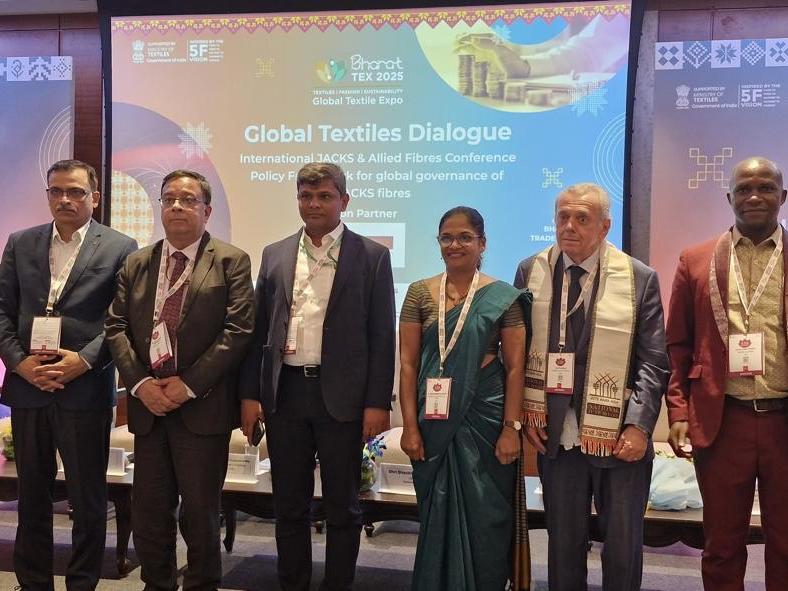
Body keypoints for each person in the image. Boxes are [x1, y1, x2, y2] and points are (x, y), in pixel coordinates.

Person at [240, 162, 395, 591]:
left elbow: (382, 336)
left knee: (343, 506)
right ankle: (293, 582)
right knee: (289, 505)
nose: (314, 204)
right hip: (285, 394)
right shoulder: (275, 253)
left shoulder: (372, 256)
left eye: (324, 196)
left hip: (342, 398)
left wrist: (377, 403)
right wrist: (250, 394)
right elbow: (258, 330)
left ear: (344, 201)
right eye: (306, 196)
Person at [513, 183, 668, 591]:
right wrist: (525, 414)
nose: (569, 226)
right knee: (563, 546)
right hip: (557, 433)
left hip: (618, 435)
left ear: (605, 226)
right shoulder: (531, 271)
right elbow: (518, 351)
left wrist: (638, 426)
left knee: (622, 549)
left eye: (582, 218)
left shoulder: (638, 278)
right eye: (563, 217)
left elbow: (654, 361)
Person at [105, 170, 254, 590]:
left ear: (207, 210)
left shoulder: (231, 261)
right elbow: (116, 326)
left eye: (188, 200)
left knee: (201, 514)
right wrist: (141, 385)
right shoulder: (137, 262)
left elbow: (238, 330)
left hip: (202, 407)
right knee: (149, 513)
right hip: (149, 407)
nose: (176, 207)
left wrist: (186, 385)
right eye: (169, 198)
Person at [0, 159, 137, 590]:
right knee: (32, 498)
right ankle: (33, 582)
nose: (65, 199)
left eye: (75, 191)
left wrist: (84, 360)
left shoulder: (119, 247)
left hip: (85, 388)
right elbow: (2, 311)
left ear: (94, 197)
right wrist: (19, 362)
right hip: (30, 387)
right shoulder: (20, 242)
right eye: (56, 191)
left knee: (88, 498)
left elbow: (122, 318)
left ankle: (82, 583)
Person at [666, 156, 788, 591]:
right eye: (744, 189)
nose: (754, 196)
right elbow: (678, 344)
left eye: (765, 188)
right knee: (721, 544)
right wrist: (678, 410)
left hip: (783, 421)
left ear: (782, 196)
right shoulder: (696, 260)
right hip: (723, 420)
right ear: (729, 197)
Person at [399, 206, 531, 590]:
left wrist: (511, 429)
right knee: (437, 512)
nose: (454, 245)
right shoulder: (419, 293)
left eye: (464, 238)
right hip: (433, 422)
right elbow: (407, 364)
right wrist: (409, 427)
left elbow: (515, 369)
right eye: (446, 238)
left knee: (487, 515)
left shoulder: (503, 298)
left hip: (486, 420)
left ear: (482, 243)